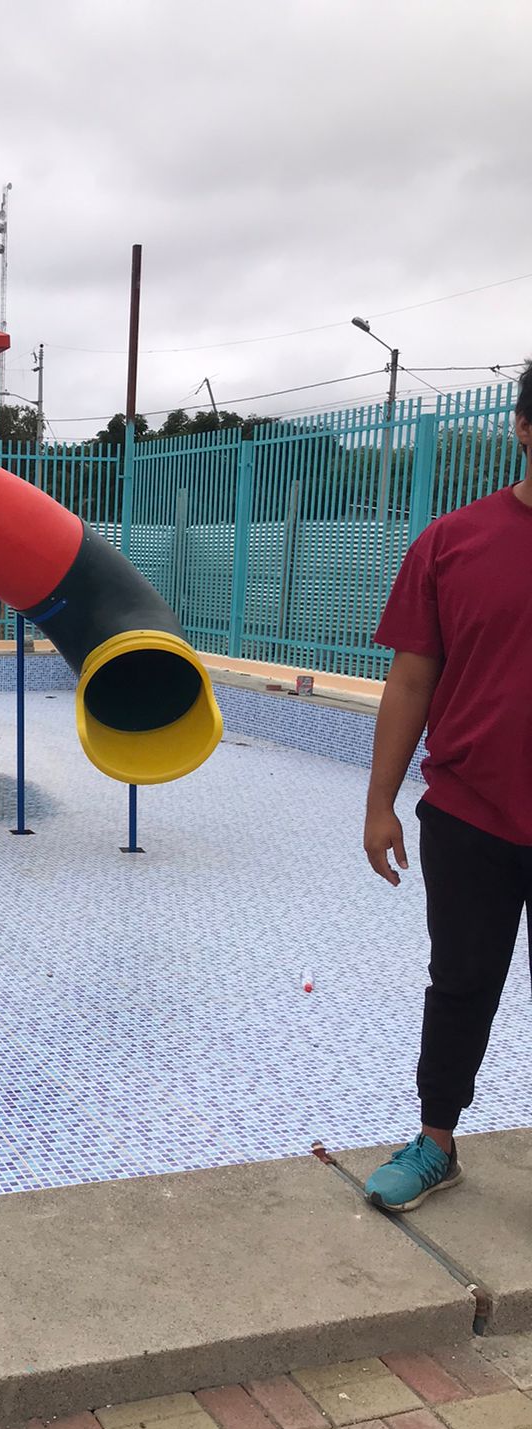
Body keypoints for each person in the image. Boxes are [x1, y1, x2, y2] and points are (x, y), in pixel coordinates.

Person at [362, 361, 532, 1212]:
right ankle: (437, 1142)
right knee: (461, 981)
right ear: (525, 430)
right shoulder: (452, 542)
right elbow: (411, 679)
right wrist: (379, 803)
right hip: (472, 810)